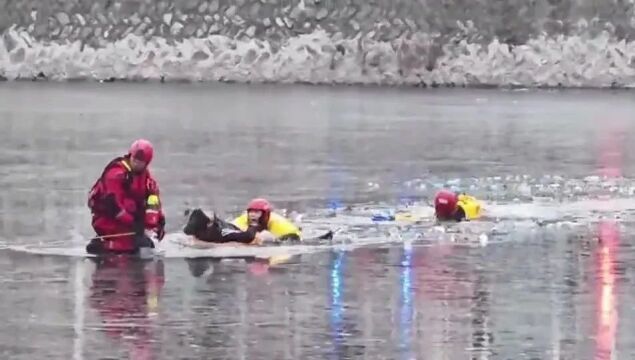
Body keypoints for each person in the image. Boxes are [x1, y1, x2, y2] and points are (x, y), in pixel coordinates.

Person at [86, 139, 166, 255]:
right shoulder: (115, 174)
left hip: (130, 221)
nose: (137, 163)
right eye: (135, 159)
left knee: (143, 243)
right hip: (108, 218)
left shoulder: (147, 180)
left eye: (141, 162)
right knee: (130, 246)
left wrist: (156, 223)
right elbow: (113, 205)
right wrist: (134, 224)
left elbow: (153, 201)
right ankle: (103, 244)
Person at [182, 208, 264, 248]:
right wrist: (254, 224)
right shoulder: (222, 233)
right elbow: (248, 236)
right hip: (243, 233)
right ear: (209, 224)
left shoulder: (197, 232)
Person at [232, 198, 302, 242]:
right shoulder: (243, 219)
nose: (252, 215)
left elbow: (295, 238)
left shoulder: (279, 224)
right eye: (250, 212)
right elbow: (229, 230)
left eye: (256, 212)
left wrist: (273, 239)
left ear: (265, 215)